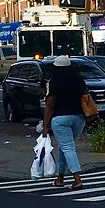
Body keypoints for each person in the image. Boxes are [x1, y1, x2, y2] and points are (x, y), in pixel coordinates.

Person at [41, 55, 87, 189]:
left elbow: (50, 105)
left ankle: (77, 179)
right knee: (65, 146)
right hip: (79, 117)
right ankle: (60, 178)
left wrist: (45, 126)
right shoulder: (79, 79)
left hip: (60, 118)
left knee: (67, 147)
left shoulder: (54, 81)